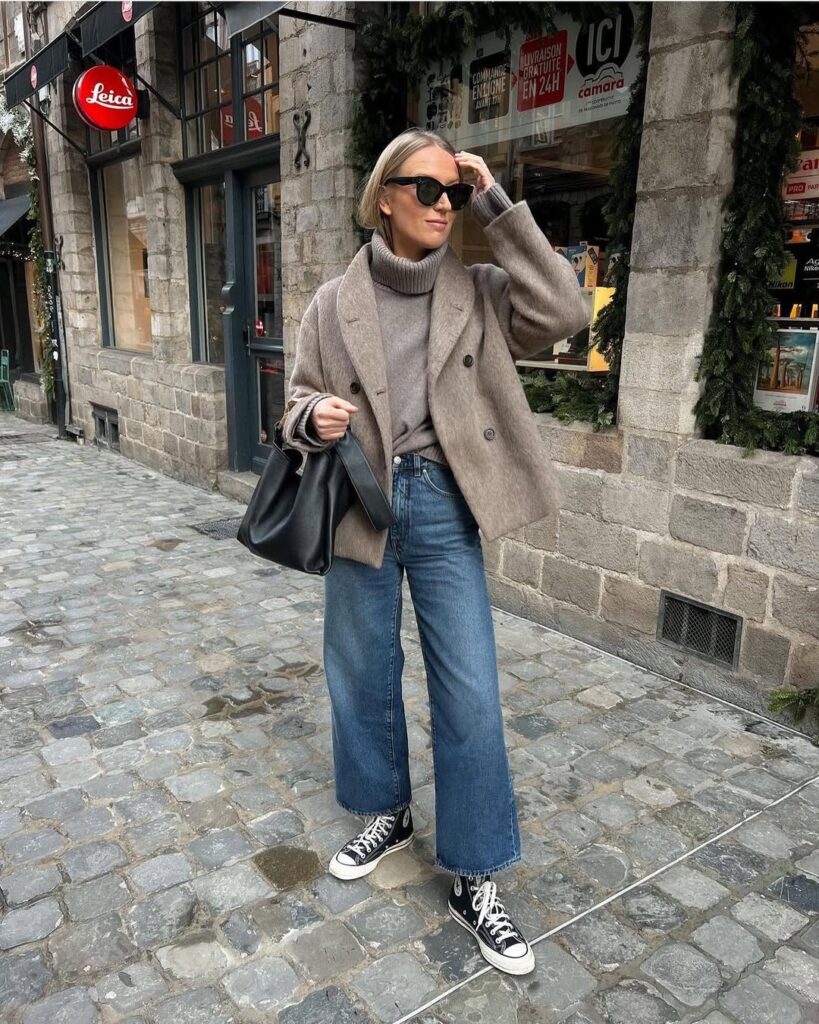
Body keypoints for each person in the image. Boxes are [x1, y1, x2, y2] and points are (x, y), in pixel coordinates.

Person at [280, 128, 589, 976]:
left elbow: (566, 313)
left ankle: (476, 874)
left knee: (470, 689)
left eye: (453, 192)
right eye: (427, 188)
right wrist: (313, 419)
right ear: (384, 196)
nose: (442, 204)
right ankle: (385, 812)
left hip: (448, 501)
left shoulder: (481, 289)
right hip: (362, 503)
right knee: (359, 672)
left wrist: (497, 202)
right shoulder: (329, 302)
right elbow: (295, 399)